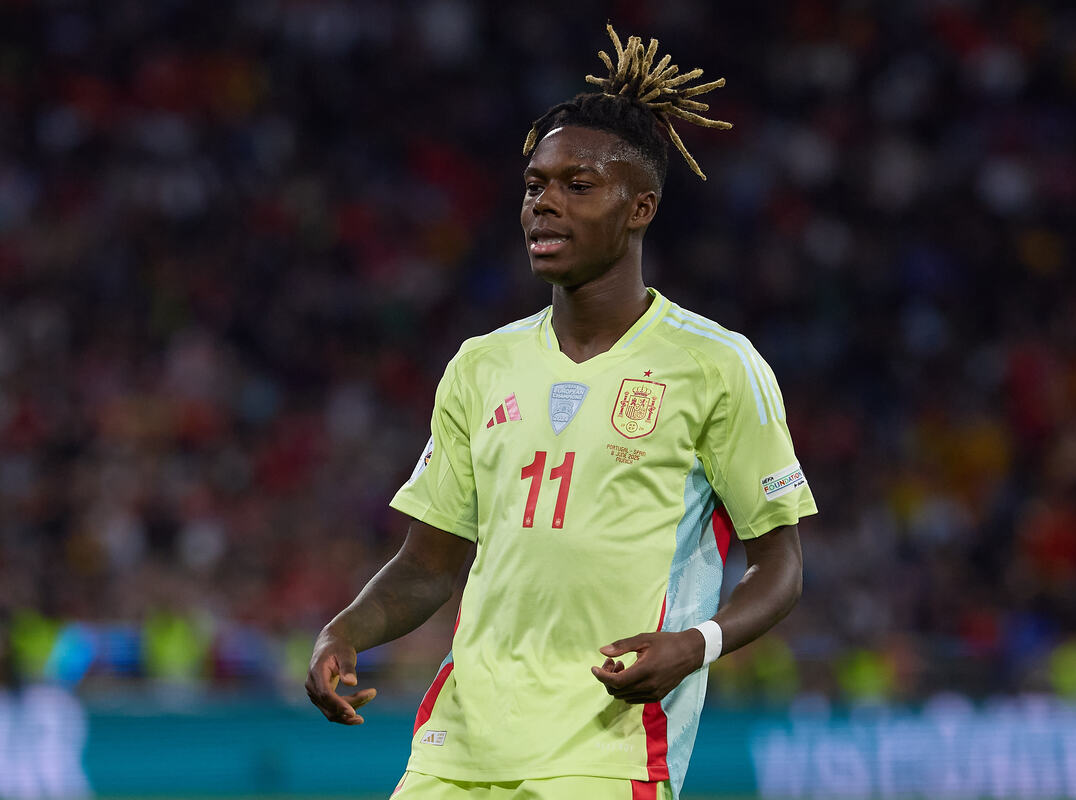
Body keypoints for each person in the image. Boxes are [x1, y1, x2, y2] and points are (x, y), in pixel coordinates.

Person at [305, 25, 817, 800]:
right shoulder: (481, 365)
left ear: (640, 208)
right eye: (534, 185)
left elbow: (780, 566)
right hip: (456, 749)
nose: (544, 203)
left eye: (578, 186)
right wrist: (344, 631)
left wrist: (696, 644)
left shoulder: (715, 365)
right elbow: (428, 565)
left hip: (607, 751)